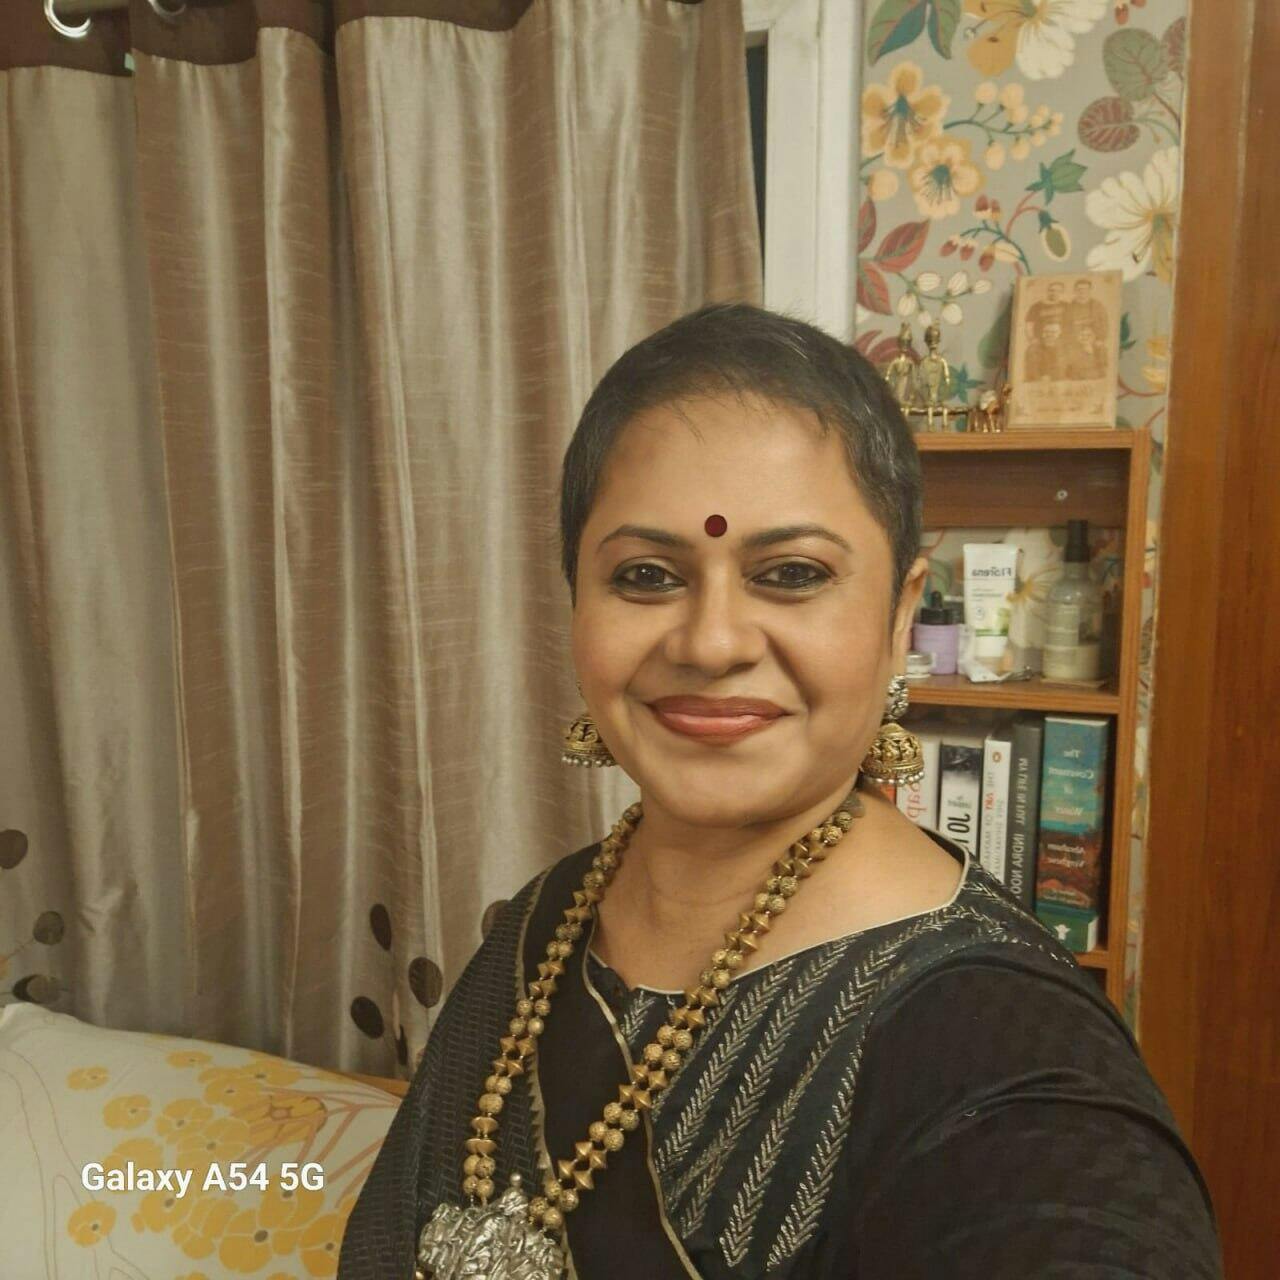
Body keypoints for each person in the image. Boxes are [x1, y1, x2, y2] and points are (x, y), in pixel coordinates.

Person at [339, 304, 1222, 1280]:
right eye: (645, 574)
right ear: (575, 604)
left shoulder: (997, 1050)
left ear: (898, 614)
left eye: (791, 573)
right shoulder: (541, 927)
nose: (711, 641)